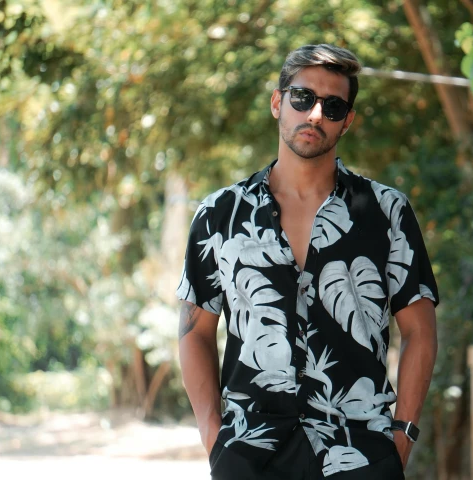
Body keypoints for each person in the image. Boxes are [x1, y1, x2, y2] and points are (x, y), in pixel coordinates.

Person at [177, 44, 439, 480]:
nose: (315, 114)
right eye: (303, 98)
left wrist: (401, 436)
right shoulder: (220, 215)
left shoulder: (387, 211)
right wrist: (213, 436)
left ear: (347, 121)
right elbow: (194, 331)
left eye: (333, 106)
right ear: (278, 102)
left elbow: (420, 332)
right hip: (250, 451)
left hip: (360, 452)